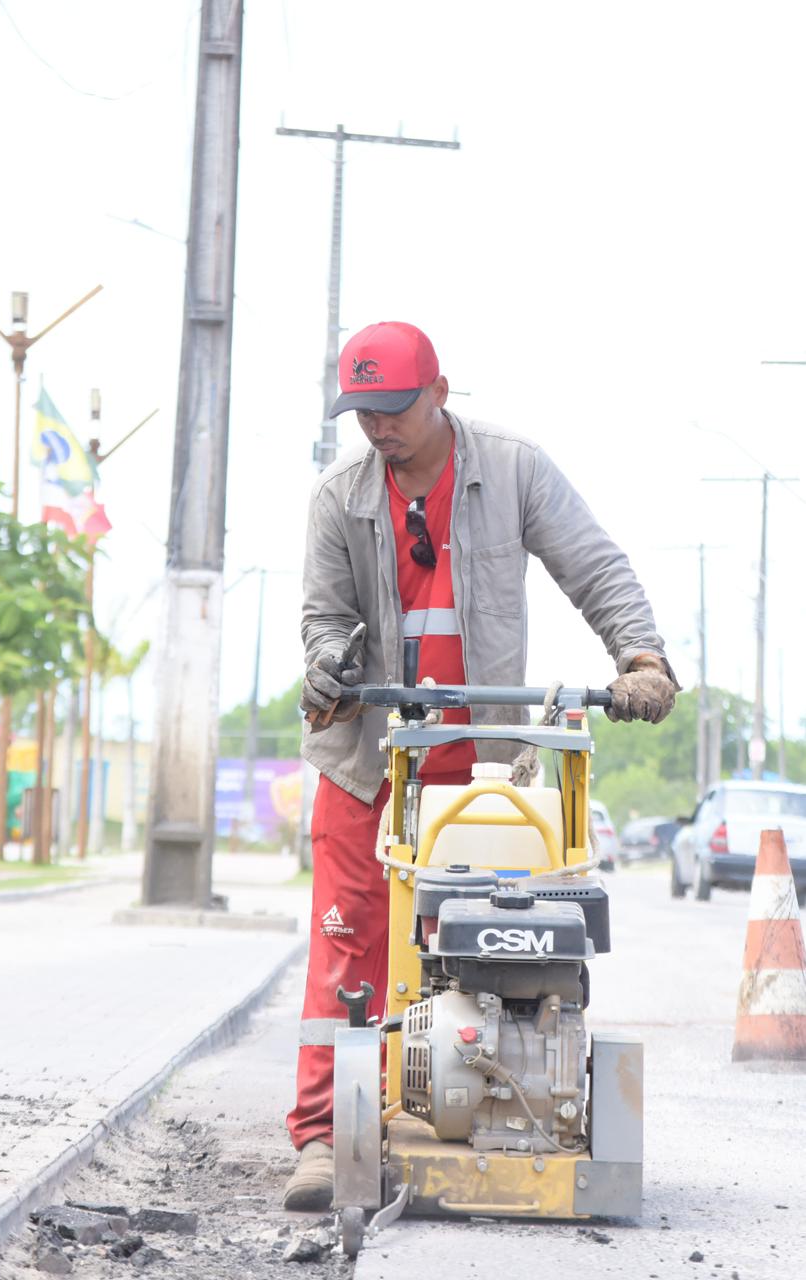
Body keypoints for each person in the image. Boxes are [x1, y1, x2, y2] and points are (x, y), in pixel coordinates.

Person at [283, 320, 678, 1210]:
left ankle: (494, 1092)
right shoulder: (339, 498)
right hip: (370, 758)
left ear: (440, 392)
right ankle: (320, 1134)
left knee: (504, 939)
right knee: (346, 945)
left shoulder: (513, 470)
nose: (379, 428)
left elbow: (595, 567)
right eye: (364, 413)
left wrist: (641, 657)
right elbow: (324, 615)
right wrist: (330, 664)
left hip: (485, 766)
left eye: (394, 409)